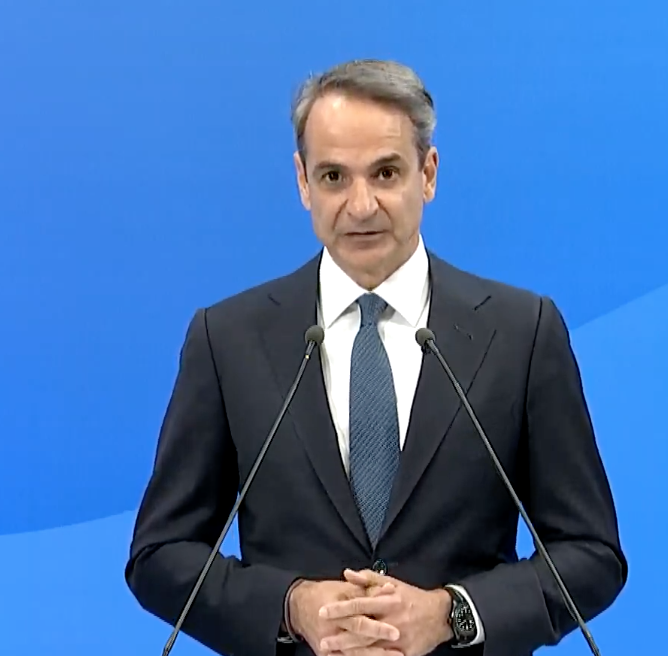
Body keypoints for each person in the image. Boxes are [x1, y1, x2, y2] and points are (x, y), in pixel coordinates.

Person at [125, 59, 627, 656]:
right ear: (303, 183)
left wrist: (451, 613)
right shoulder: (228, 339)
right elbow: (160, 555)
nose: (360, 205)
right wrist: (291, 607)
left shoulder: (522, 332)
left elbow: (590, 554)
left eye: (385, 173)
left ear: (428, 173)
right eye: (333, 177)